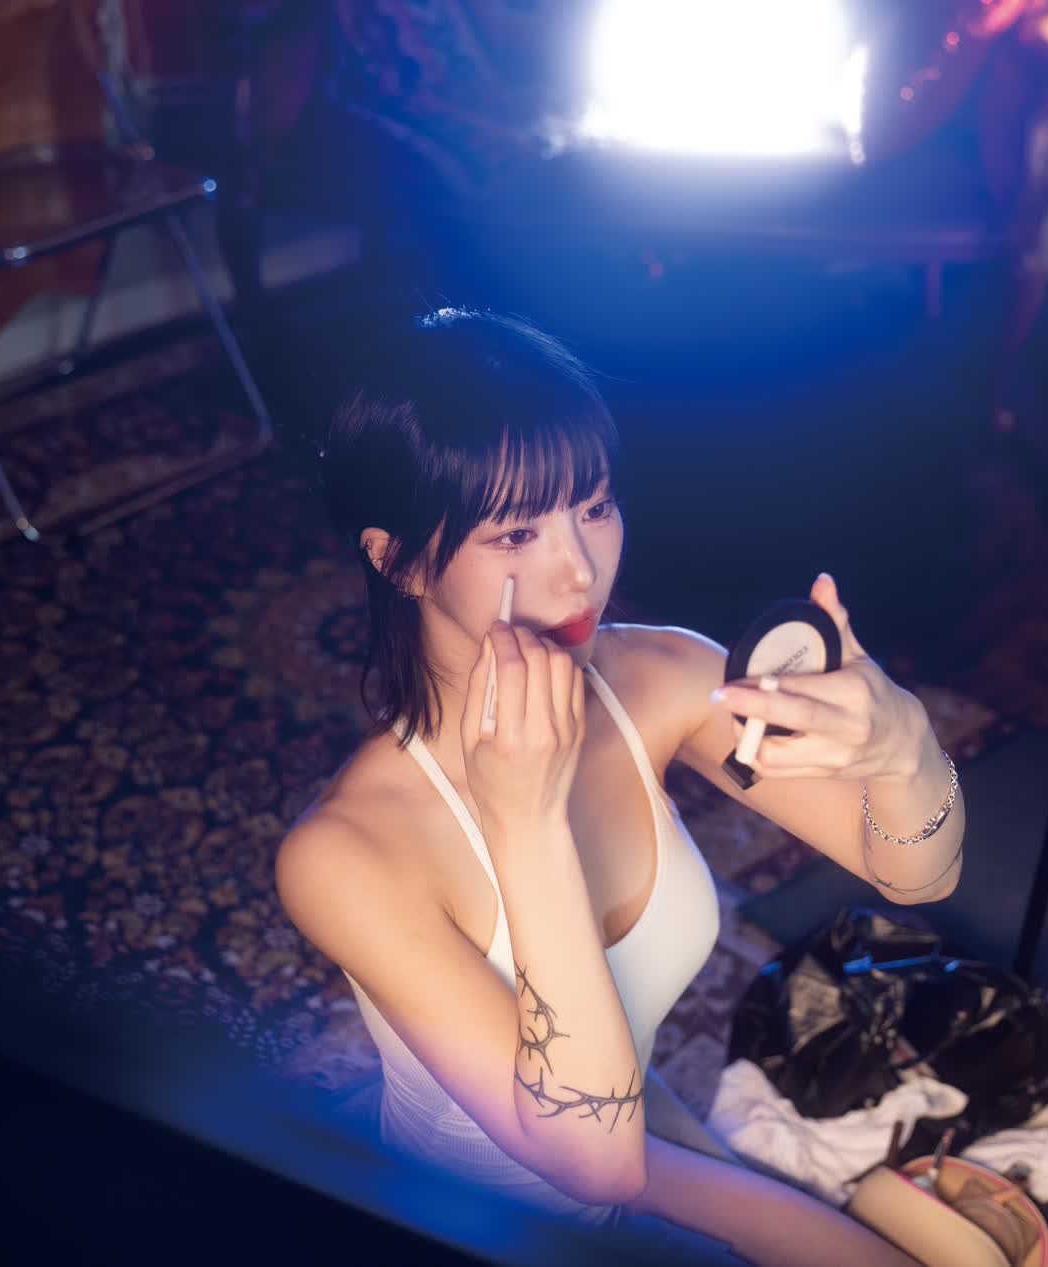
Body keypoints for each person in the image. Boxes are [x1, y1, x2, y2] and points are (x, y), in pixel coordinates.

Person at [275, 307, 964, 1265]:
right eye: (517, 532)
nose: (580, 571)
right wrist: (524, 822)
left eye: (595, 507)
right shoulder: (343, 855)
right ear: (400, 560)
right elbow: (592, 1164)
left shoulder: (661, 677)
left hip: (638, 1127)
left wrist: (903, 748)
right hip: (459, 1220)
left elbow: (917, 873)